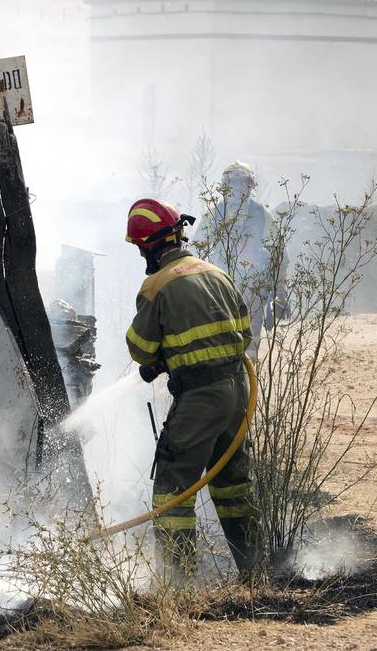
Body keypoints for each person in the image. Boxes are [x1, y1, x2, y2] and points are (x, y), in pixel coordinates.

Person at [124, 198, 258, 576]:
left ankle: (178, 583)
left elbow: (140, 349)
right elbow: (243, 333)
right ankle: (254, 572)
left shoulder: (158, 285)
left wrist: (165, 356)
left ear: (149, 245)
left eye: (139, 248)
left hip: (199, 398)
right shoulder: (216, 273)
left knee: (172, 488)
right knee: (233, 485)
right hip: (236, 391)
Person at [196, 161, 273, 357]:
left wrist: (279, 294)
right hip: (219, 289)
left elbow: (279, 253)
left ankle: (249, 386)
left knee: (250, 350)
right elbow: (196, 253)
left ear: (250, 186)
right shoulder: (213, 215)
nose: (239, 188)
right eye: (234, 183)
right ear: (225, 186)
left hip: (253, 291)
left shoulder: (262, 215)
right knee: (220, 346)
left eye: (243, 183)